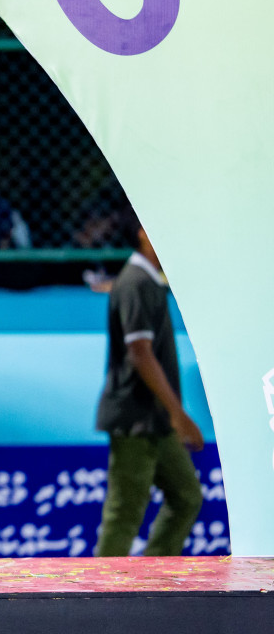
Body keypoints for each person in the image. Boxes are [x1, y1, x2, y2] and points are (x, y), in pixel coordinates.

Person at [94, 207, 204, 556]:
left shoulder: (145, 281)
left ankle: (154, 577)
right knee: (125, 511)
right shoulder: (136, 282)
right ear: (143, 232)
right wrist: (179, 414)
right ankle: (100, 596)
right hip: (136, 417)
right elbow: (139, 352)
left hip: (154, 418)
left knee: (186, 497)